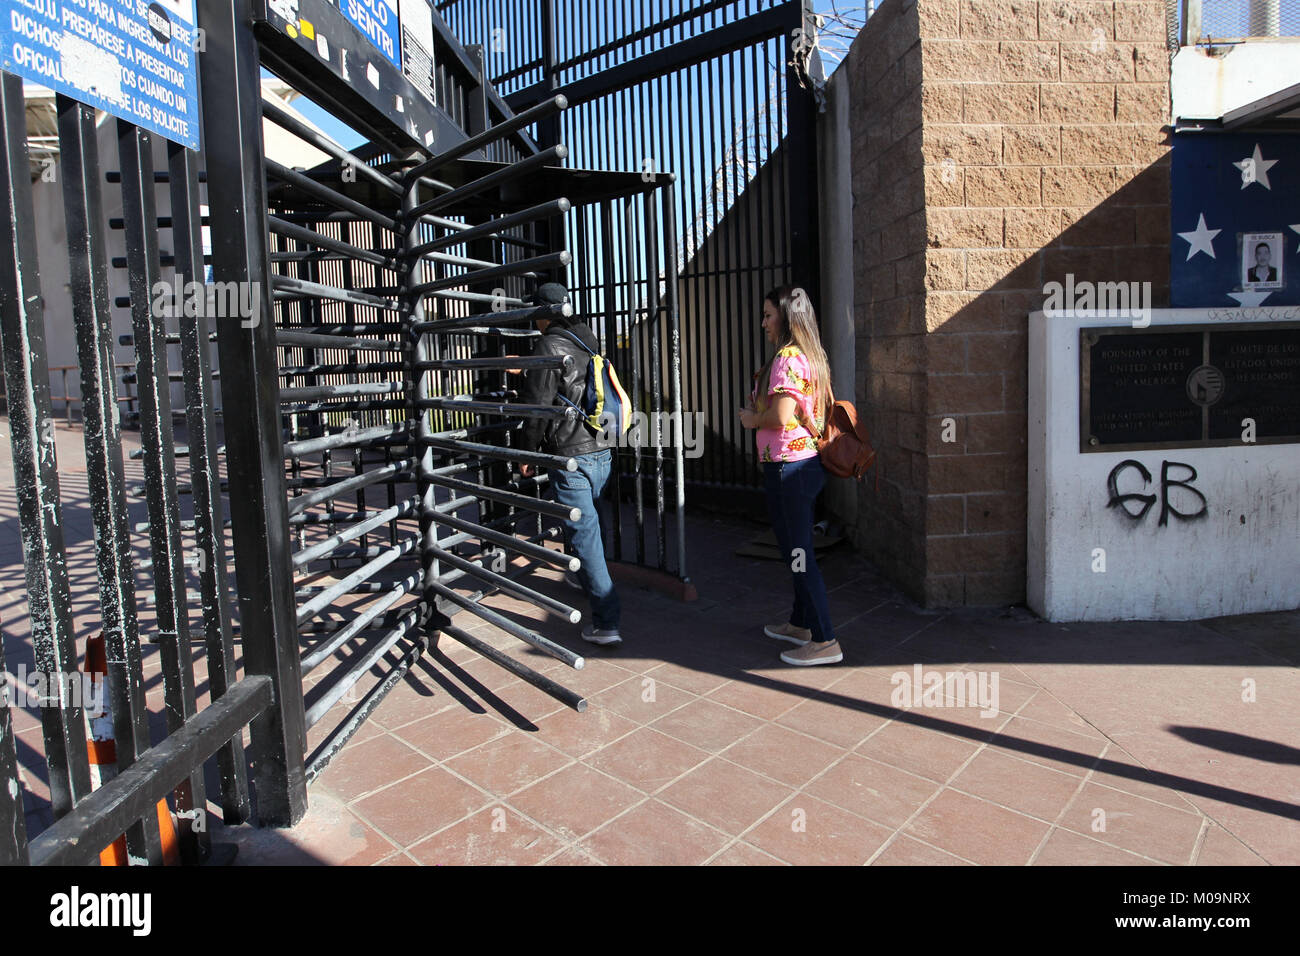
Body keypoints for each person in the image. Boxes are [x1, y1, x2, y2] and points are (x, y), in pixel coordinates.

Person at [738, 286, 842, 666]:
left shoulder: (787, 358)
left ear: (785, 317)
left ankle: (826, 638)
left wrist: (752, 419)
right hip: (800, 466)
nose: (764, 322)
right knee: (793, 551)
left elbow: (781, 417)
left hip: (789, 467)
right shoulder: (810, 357)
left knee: (799, 553)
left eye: (768, 315)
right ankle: (801, 623)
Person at [517, 283, 623, 646]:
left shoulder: (547, 345)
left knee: (585, 533)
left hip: (570, 454)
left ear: (542, 313)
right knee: (592, 518)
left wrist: (527, 454)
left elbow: (538, 408)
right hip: (600, 447)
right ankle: (582, 577)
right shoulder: (586, 338)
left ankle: (608, 622)